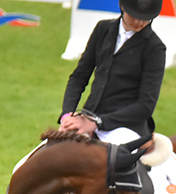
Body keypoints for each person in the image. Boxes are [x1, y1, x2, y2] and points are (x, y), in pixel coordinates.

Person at [59, 0, 165, 143]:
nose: (140, 22)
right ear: (122, 6)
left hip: (125, 127)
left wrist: (98, 122)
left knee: (113, 162)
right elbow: (79, 77)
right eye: (134, 16)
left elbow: (146, 105)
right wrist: (67, 115)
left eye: (146, 18)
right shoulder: (102, 29)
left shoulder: (155, 48)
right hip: (88, 116)